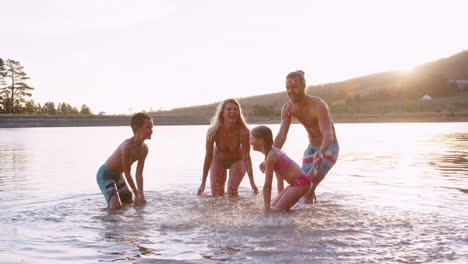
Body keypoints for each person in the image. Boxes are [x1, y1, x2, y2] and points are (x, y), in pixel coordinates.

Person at [262, 70, 339, 204]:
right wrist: (269, 155)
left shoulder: (318, 105)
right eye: (288, 88)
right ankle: (310, 214)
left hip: (329, 148)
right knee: (302, 186)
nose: (291, 91)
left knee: (309, 186)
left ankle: (309, 218)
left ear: (303, 86)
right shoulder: (288, 108)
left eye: (294, 87)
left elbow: (328, 133)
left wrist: (321, 152)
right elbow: (281, 135)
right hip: (311, 150)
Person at [197, 98, 258, 196]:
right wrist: (203, 182)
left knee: (231, 189)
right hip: (218, 160)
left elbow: (247, 157)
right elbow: (208, 156)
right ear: (222, 113)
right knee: (216, 195)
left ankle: (234, 211)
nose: (232, 112)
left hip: (238, 160)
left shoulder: (244, 131)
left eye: (235, 109)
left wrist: (252, 182)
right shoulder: (213, 131)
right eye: (229, 109)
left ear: (238, 113)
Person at [96, 112, 153, 209]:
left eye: (152, 127)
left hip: (118, 175)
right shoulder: (127, 147)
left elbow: (139, 174)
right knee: (116, 207)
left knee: (128, 204)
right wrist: (136, 194)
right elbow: (128, 173)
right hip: (105, 175)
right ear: (137, 129)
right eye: (148, 128)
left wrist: (141, 194)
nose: (151, 131)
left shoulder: (144, 149)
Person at [250, 126, 310, 212]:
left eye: (251, 139)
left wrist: (266, 210)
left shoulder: (270, 157)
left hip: (301, 183)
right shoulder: (272, 153)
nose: (249, 142)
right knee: (275, 208)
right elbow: (280, 177)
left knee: (276, 212)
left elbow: (267, 186)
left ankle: (289, 224)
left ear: (260, 141)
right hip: (298, 182)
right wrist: (280, 196)